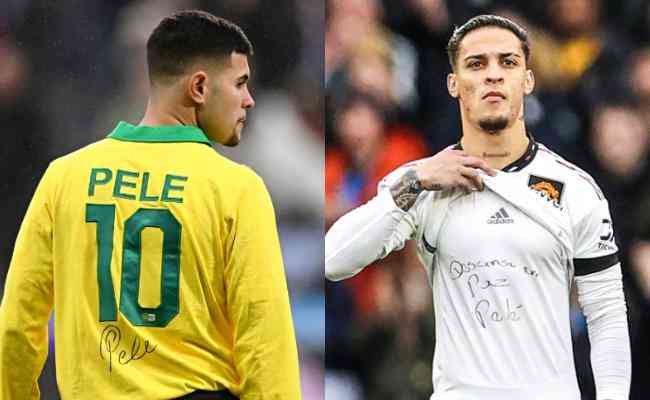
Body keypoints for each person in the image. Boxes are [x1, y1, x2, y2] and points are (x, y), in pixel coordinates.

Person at [325, 14, 630, 400]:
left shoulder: (575, 189)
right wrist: (414, 183)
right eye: (476, 64)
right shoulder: (424, 181)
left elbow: (606, 315)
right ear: (454, 84)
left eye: (507, 62)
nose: (493, 75)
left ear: (528, 80)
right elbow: (334, 259)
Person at [0, 10, 301, 400]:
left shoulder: (65, 177)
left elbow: (17, 327)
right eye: (240, 83)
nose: (249, 100)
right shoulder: (236, 190)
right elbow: (266, 346)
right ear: (199, 87)